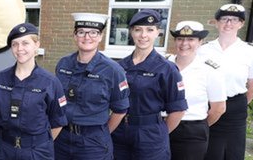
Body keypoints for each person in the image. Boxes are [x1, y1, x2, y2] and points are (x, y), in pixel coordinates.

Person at [111, 9, 187, 160]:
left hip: (150, 134)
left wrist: (159, 135)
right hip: (119, 132)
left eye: (149, 30)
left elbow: (178, 110)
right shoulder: (119, 66)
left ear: (158, 32)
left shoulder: (167, 69)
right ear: (131, 32)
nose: (143, 35)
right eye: (138, 30)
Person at [0, 23, 67, 160]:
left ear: (36, 45)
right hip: (2, 150)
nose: (20, 49)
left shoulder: (50, 82)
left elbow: (58, 123)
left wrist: (38, 144)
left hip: (36, 152)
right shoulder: (0, 80)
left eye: (25, 43)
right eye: (15, 44)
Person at [54, 13, 130, 160]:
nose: (87, 37)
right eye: (81, 32)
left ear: (101, 36)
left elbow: (120, 110)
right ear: (75, 36)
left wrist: (101, 133)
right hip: (61, 139)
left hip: (93, 143)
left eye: (93, 33)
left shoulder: (113, 70)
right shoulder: (63, 64)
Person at [198, 3, 253, 160]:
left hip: (234, 109)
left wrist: (236, 103)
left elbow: (252, 86)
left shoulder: (249, 51)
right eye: (224, 19)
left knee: (232, 153)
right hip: (207, 106)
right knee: (207, 150)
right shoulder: (203, 50)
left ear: (241, 24)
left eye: (234, 19)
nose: (229, 23)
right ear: (216, 22)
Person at [165, 20, 226, 160]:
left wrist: (199, 126)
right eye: (180, 39)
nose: (184, 44)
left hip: (191, 132)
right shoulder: (164, 64)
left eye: (191, 39)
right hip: (160, 125)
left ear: (200, 42)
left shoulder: (210, 70)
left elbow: (219, 108)